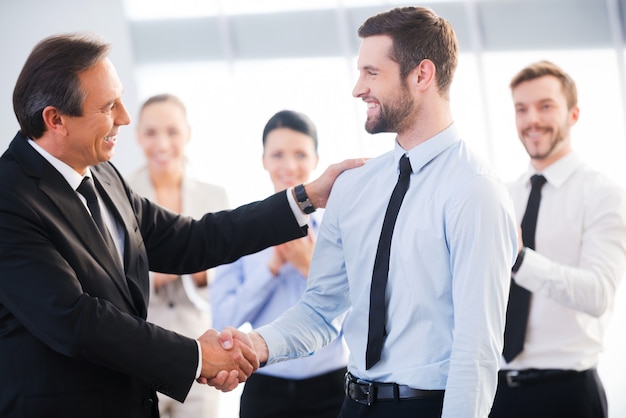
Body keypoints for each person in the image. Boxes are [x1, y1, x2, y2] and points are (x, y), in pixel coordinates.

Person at [0, 32, 362, 418]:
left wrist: (306, 197)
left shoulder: (103, 175)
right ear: (56, 119)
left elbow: (191, 238)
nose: (124, 117)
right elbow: (76, 319)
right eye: (109, 107)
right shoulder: (9, 199)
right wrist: (195, 356)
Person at [217, 6, 518, 418]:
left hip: (425, 409)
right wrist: (257, 345)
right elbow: (321, 309)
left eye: (371, 73)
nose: (358, 89)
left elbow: (477, 349)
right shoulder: (354, 187)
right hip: (352, 405)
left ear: (422, 75)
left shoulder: (476, 190)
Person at [489, 61, 626, 418]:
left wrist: (520, 260)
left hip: (566, 395)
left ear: (574, 114)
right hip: (497, 393)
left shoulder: (602, 194)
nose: (531, 119)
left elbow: (598, 294)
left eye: (545, 106)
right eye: (521, 109)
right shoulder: (503, 197)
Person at [211, 110, 349, 418]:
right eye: (277, 154)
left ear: (316, 159)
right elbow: (223, 317)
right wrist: (270, 269)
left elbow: (362, 316)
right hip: (265, 386)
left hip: (333, 387)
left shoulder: (340, 230)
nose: (289, 166)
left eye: (300, 154)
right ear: (263, 160)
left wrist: (309, 265)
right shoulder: (241, 232)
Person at [128, 93, 229, 418]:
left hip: (201, 346)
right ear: (138, 135)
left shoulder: (215, 195)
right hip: (140, 350)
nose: (162, 143)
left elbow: (228, 269)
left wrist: (185, 268)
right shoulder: (120, 193)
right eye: (151, 132)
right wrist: (163, 272)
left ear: (187, 133)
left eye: (172, 132)